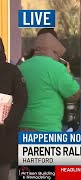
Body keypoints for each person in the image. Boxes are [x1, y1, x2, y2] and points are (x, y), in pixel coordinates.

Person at [18, 32, 81, 132]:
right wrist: (68, 74)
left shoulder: (21, 67)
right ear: (55, 51)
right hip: (47, 129)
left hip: (22, 128)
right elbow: (74, 93)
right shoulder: (57, 68)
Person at [0, 37, 28, 180]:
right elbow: (22, 99)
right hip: (4, 134)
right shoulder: (12, 71)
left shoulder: (12, 71)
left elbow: (21, 99)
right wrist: (10, 122)